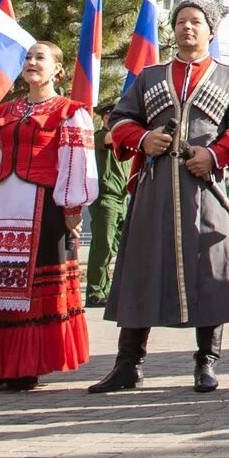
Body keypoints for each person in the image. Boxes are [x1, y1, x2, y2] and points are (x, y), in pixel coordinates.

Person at [90, 0, 229, 394]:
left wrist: (213, 155)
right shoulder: (149, 76)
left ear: (210, 31)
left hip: (206, 189)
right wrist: (144, 138)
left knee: (210, 273)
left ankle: (206, 363)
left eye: (196, 22)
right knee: (140, 270)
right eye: (181, 21)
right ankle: (128, 364)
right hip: (155, 188)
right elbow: (120, 120)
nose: (188, 28)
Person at [0, 41, 96, 392]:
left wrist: (71, 205)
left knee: (32, 285)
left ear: (58, 69)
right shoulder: (5, 112)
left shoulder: (69, 111)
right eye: (28, 57)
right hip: (4, 203)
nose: (32, 62)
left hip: (42, 205)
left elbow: (76, 159)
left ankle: (27, 365)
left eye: (40, 58)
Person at [82, 91, 134, 308]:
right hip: (105, 198)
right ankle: (95, 291)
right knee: (102, 246)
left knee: (118, 247)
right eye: (110, 117)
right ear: (104, 118)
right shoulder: (99, 137)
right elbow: (112, 138)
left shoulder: (125, 144)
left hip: (122, 199)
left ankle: (107, 287)